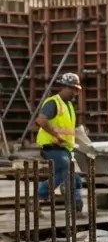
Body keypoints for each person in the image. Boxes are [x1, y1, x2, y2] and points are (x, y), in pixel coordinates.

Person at [34, 72, 85, 217]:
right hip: (51, 146)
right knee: (65, 168)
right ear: (65, 87)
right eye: (74, 89)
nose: (75, 93)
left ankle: (76, 209)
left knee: (74, 177)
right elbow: (41, 120)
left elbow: (66, 128)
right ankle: (40, 195)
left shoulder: (68, 105)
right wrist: (56, 135)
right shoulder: (53, 102)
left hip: (65, 148)